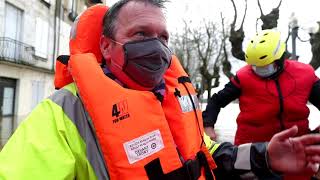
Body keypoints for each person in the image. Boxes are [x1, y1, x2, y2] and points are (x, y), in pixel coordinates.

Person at [1, 1, 320, 180]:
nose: (156, 46)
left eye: (163, 37)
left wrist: (265, 156)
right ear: (106, 46)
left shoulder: (173, 100)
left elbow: (207, 153)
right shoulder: (64, 113)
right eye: (141, 33)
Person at [203, 29, 320, 179]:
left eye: (264, 66)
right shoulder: (243, 76)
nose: (259, 71)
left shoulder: (305, 74)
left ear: (280, 58)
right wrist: (208, 124)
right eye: (255, 66)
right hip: (252, 153)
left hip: (295, 151)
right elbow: (216, 101)